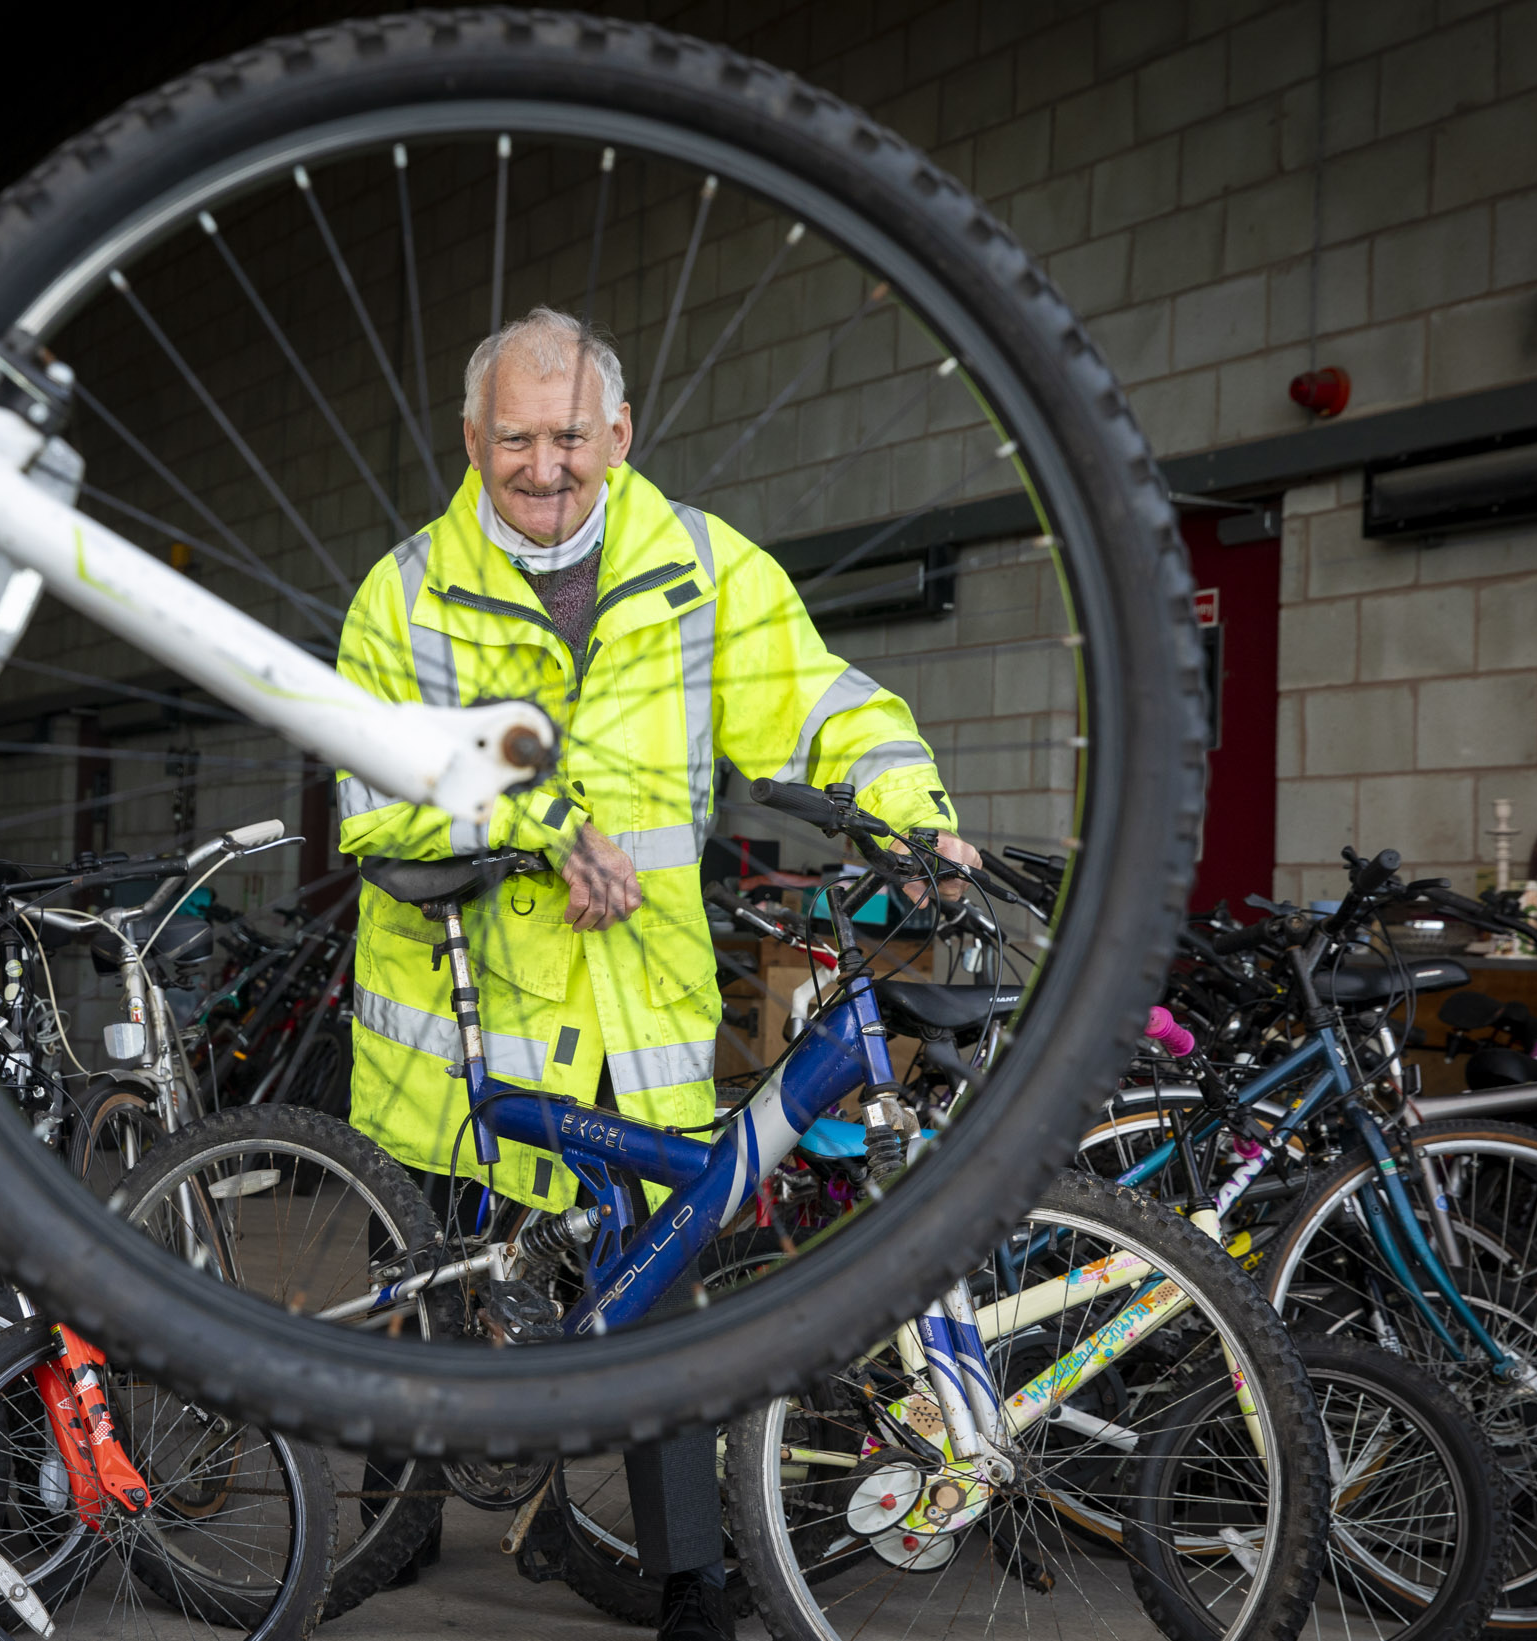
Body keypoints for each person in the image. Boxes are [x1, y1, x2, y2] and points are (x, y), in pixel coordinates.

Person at [334, 307, 977, 1641]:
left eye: (569, 434)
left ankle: (686, 1567)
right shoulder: (400, 594)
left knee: (659, 1301)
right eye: (512, 436)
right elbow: (370, 803)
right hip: (457, 1035)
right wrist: (530, 830)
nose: (541, 463)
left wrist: (909, 808)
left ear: (620, 433)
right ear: (470, 439)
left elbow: (821, 701)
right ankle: (392, 1512)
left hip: (642, 1019)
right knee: (430, 1288)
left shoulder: (704, 570)